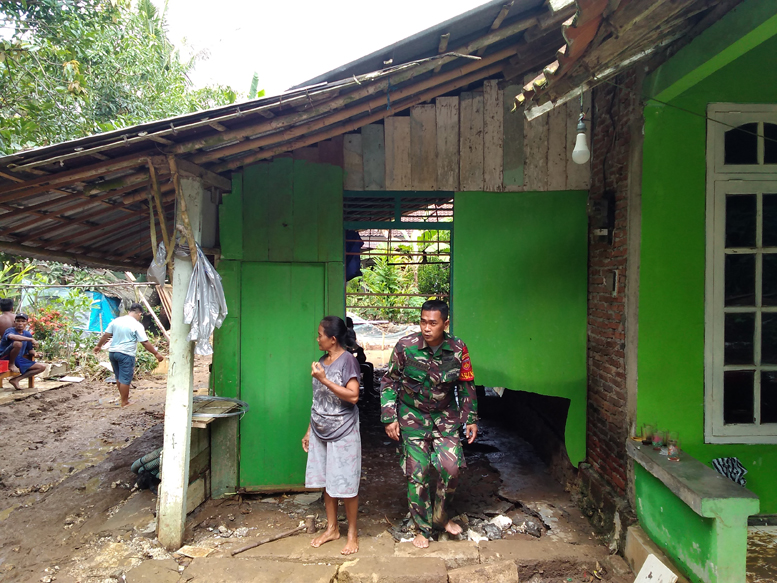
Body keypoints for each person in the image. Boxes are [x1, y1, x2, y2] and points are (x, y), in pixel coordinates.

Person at [380, 300, 478, 548]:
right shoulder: (406, 346)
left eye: (433, 323)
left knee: (451, 468)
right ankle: (422, 528)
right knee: (418, 472)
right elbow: (389, 381)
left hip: (445, 417)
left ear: (445, 324)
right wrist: (389, 416)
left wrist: (471, 418)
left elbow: (466, 384)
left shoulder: (458, 348)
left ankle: (441, 516)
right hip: (412, 417)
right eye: (423, 321)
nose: (426, 327)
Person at [301, 316, 361, 555]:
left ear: (332, 338)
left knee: (346, 483)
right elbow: (318, 399)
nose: (317, 339)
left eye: (320, 335)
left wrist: (324, 379)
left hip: (343, 430)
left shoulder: (348, 362)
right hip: (320, 429)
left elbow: (353, 396)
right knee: (327, 481)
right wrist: (308, 430)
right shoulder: (321, 362)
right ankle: (332, 528)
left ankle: (352, 533)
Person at [93, 303, 164, 407]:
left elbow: (106, 334)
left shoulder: (116, 321)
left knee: (118, 377)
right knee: (125, 378)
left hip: (113, 353)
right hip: (126, 354)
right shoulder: (136, 325)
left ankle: (122, 398)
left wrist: (98, 346)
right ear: (139, 314)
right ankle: (125, 402)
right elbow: (144, 342)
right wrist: (156, 354)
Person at [0, 313, 46, 389]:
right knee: (18, 344)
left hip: (18, 359)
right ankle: (11, 364)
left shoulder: (27, 334)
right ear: (14, 322)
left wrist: (35, 354)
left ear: (26, 323)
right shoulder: (10, 330)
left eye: (23, 321)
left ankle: (16, 380)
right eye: (18, 321)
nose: (20, 323)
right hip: (5, 357)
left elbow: (30, 349)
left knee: (41, 367)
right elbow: (12, 337)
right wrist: (31, 339)